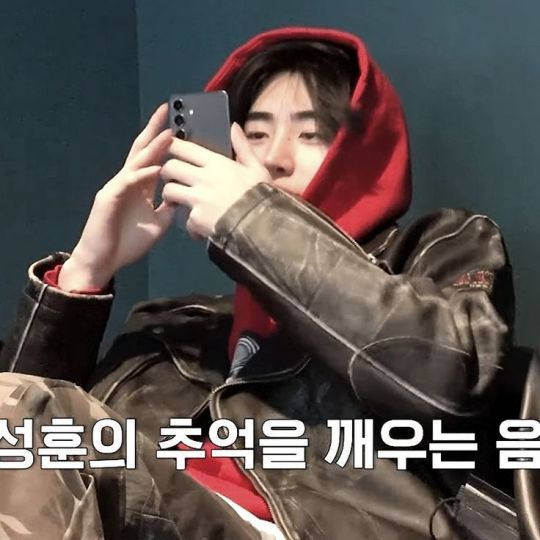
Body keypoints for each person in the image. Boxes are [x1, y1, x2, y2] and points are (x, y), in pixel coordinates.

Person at [0, 27, 513, 540]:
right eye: (257, 135)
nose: (275, 158)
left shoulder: (440, 250)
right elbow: (17, 438)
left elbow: (449, 375)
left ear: (362, 153)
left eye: (311, 134)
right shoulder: (173, 327)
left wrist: (251, 218)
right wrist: (85, 271)